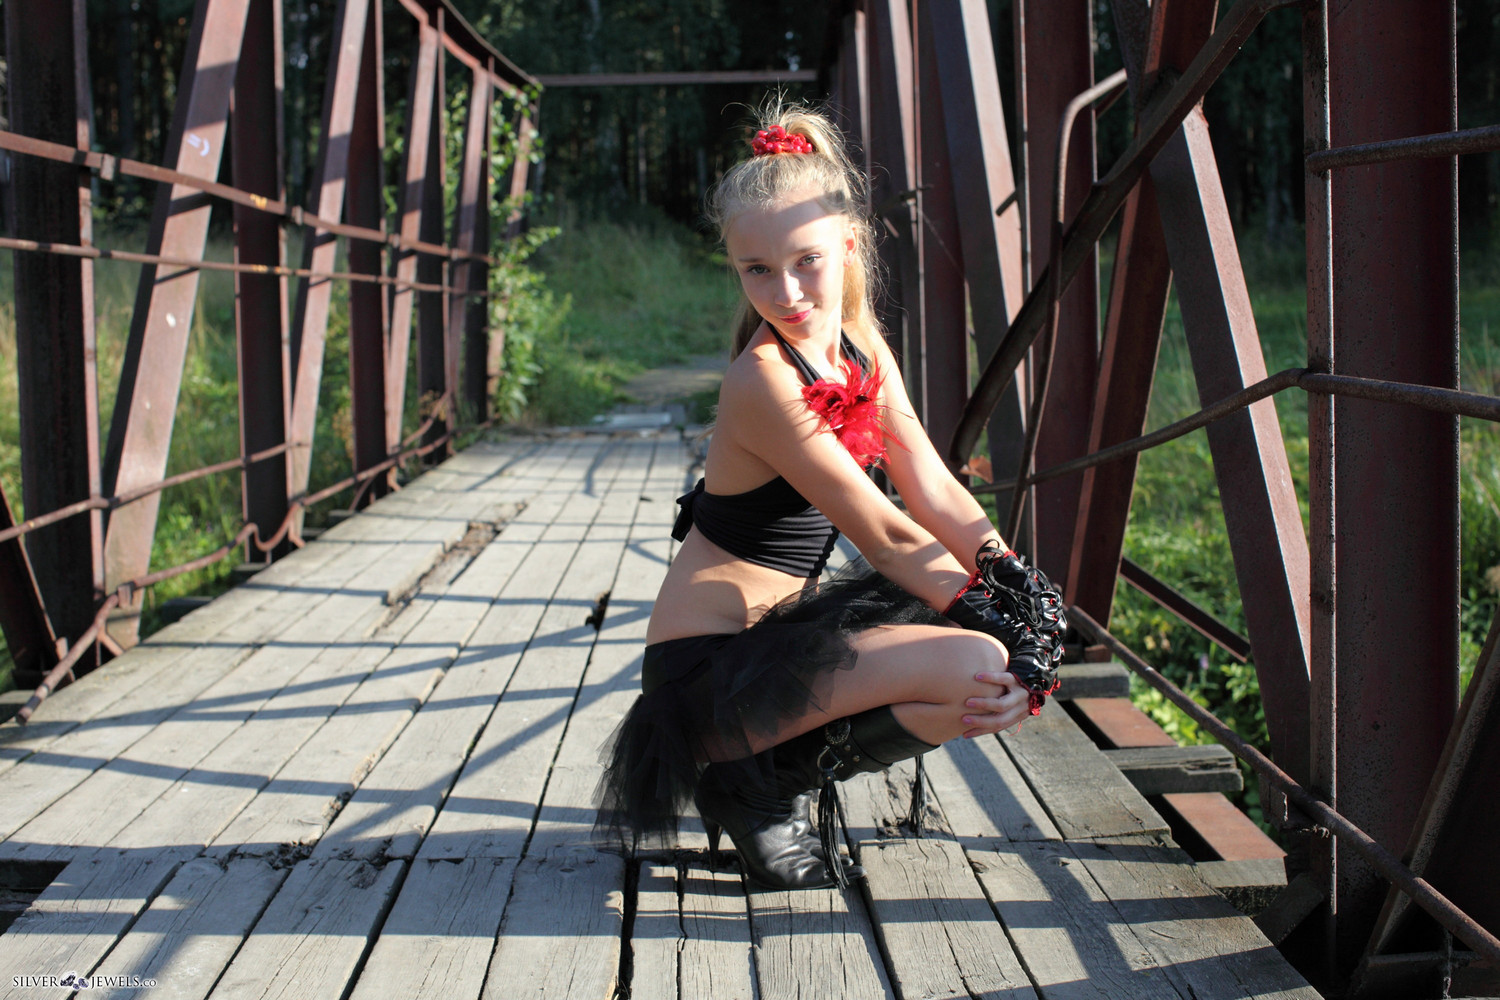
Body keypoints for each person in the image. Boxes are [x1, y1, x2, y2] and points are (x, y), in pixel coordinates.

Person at [597, 101, 1066, 890]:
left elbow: (930, 485)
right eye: (756, 269)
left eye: (806, 260)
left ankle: (762, 779)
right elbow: (885, 534)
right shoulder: (763, 380)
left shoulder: (860, 347)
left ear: (848, 244)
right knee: (980, 664)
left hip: (786, 639)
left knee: (977, 670)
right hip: (711, 679)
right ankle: (753, 786)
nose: (786, 292)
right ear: (734, 266)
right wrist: (1000, 625)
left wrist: (1017, 582)